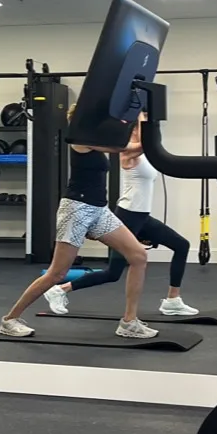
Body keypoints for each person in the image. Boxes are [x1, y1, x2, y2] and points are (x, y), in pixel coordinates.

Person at [0, 113, 156, 339]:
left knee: (138, 256)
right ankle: (10, 319)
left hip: (99, 210)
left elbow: (133, 148)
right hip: (76, 208)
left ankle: (129, 323)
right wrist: (141, 121)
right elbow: (124, 146)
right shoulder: (80, 140)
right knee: (57, 273)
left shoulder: (96, 143)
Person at [41, 112, 198, 318]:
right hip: (128, 215)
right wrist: (142, 115)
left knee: (181, 245)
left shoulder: (146, 153)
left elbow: (150, 146)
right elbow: (145, 143)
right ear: (134, 128)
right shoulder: (127, 153)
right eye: (139, 127)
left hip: (142, 217)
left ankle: (172, 300)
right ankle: (59, 290)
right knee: (113, 274)